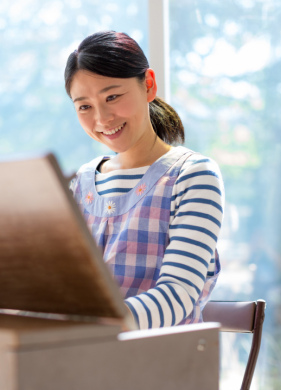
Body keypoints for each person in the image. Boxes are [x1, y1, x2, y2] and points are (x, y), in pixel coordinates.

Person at [65, 31, 224, 330]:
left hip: (158, 363)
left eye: (112, 97)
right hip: (83, 358)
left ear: (148, 85)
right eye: (84, 106)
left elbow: (177, 297)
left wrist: (85, 325)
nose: (102, 118)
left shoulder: (192, 175)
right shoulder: (79, 184)